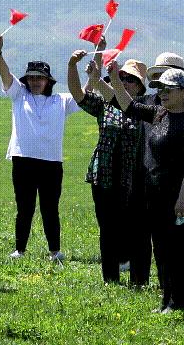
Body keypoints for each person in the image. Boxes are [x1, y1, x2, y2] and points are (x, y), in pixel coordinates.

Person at [108, 63, 184, 312]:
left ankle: (179, 300)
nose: (162, 93)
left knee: (174, 249)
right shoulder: (159, 113)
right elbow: (129, 106)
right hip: (154, 193)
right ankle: (168, 300)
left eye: (169, 89)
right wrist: (113, 78)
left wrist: (183, 199)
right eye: (160, 89)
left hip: (175, 196)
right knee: (162, 248)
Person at [0, 34, 80, 261]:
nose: (35, 82)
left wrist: (88, 68)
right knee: (25, 207)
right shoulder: (19, 95)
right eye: (31, 78)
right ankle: (19, 250)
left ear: (48, 81)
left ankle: (55, 251)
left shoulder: (61, 101)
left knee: (50, 208)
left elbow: (82, 94)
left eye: (40, 78)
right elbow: (5, 73)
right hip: (23, 160)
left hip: (51, 162)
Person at [67, 48, 150, 285]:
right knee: (107, 226)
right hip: (103, 174)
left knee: (133, 227)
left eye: (130, 79)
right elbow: (77, 94)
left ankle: (136, 275)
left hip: (133, 177)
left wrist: (100, 78)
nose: (124, 81)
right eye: (122, 77)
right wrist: (72, 65)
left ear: (140, 87)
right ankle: (110, 278)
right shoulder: (105, 106)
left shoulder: (144, 109)